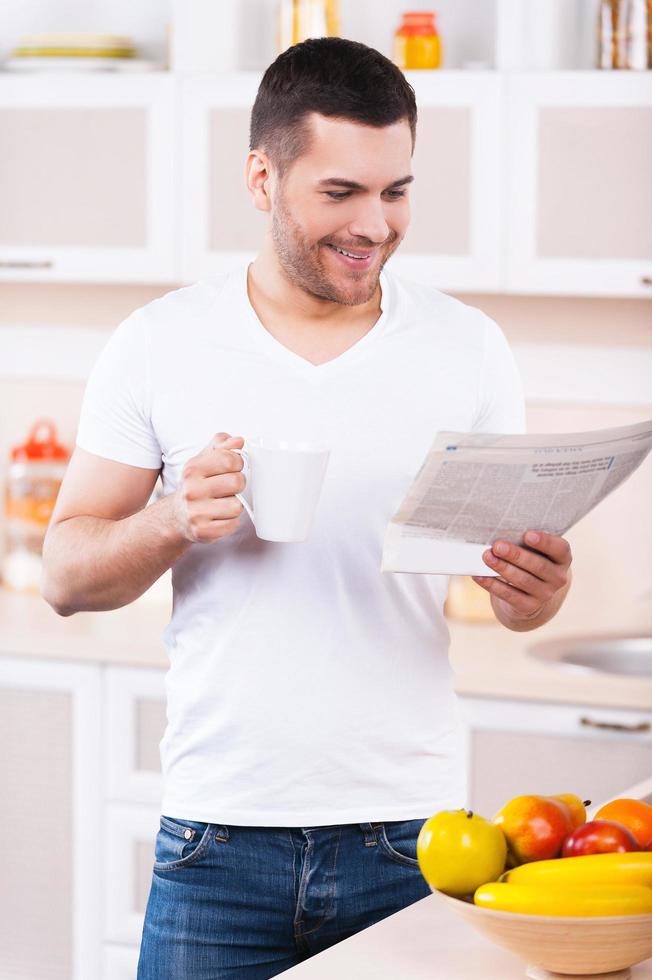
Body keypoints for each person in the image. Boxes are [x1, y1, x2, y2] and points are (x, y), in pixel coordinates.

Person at [41, 37, 572, 980]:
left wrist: (533, 594)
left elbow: (500, 587)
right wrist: (171, 516)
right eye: (340, 194)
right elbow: (67, 577)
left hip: (411, 840)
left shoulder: (468, 348)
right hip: (216, 844)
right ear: (261, 177)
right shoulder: (160, 343)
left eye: (396, 190)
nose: (376, 224)